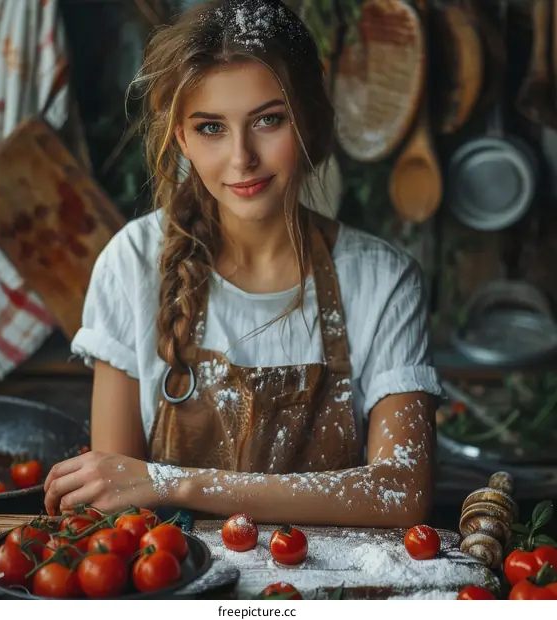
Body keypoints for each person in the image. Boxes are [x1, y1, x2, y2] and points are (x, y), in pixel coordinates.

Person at [44, 0, 442, 527]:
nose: (241, 158)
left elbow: (402, 491)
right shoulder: (131, 263)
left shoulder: (383, 281)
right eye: (211, 128)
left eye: (268, 120)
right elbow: (117, 504)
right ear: (181, 136)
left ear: (309, 119)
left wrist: (178, 481)